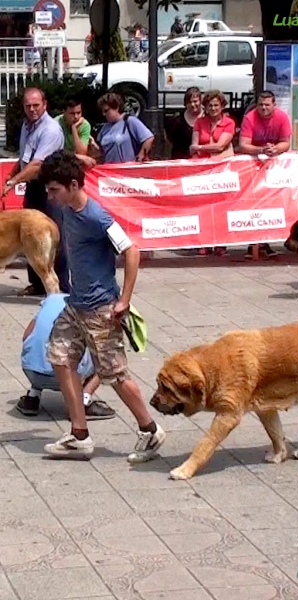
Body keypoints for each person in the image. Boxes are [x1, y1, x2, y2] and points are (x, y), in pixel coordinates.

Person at [38, 151, 166, 460]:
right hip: (76, 305)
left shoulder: (97, 217)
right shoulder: (68, 208)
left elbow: (132, 251)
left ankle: (151, 431)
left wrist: (125, 300)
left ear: (71, 185)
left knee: (115, 375)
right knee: (60, 356)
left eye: (53, 189)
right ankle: (79, 434)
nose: (49, 195)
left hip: (100, 310)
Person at [1, 88, 69, 297]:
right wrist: (11, 174)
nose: (32, 109)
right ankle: (38, 286)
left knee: (54, 240)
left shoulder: (51, 129)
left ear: (44, 104)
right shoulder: (26, 127)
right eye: (28, 106)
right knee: (30, 242)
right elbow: (25, 158)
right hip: (32, 187)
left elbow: (38, 164)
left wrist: (13, 182)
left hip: (51, 188)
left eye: (36, 105)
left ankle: (63, 290)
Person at [18, 292, 115, 419]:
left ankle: (33, 396)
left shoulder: (51, 299)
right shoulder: (86, 305)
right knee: (108, 355)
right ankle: (84, 400)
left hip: (32, 371)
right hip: (69, 374)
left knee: (41, 348)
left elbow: (26, 336)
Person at [239, 90, 292, 259]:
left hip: (274, 166)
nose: (263, 108)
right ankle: (252, 243)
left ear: (274, 105)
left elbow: (286, 143)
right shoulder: (250, 118)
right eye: (260, 104)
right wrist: (261, 150)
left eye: (267, 105)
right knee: (252, 205)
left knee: (272, 204)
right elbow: (243, 145)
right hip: (253, 166)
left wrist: (275, 149)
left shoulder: (282, 117)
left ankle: (267, 242)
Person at [190, 90, 236, 257]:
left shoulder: (229, 123)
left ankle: (221, 242)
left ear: (222, 106)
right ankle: (203, 241)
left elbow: (220, 146)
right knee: (203, 206)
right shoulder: (199, 123)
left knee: (221, 207)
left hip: (222, 170)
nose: (213, 108)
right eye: (210, 105)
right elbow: (192, 146)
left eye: (216, 105)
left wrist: (201, 148)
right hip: (203, 169)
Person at [95, 93, 154, 164]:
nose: (104, 114)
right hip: (109, 170)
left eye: (106, 111)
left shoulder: (129, 121)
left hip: (128, 169)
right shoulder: (104, 129)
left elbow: (148, 138)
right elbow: (100, 153)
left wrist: (139, 159)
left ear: (116, 107)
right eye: (102, 111)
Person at [55, 96, 95, 168]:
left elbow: (82, 152)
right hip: (59, 162)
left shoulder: (85, 125)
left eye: (78, 113)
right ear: (64, 112)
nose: (76, 117)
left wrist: (74, 129)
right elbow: (54, 154)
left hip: (76, 162)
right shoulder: (55, 124)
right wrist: (77, 156)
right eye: (72, 113)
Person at [166, 87, 203, 159]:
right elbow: (170, 140)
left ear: (201, 101)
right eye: (189, 102)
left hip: (203, 159)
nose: (192, 104)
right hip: (181, 159)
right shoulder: (177, 120)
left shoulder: (208, 117)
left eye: (195, 101)